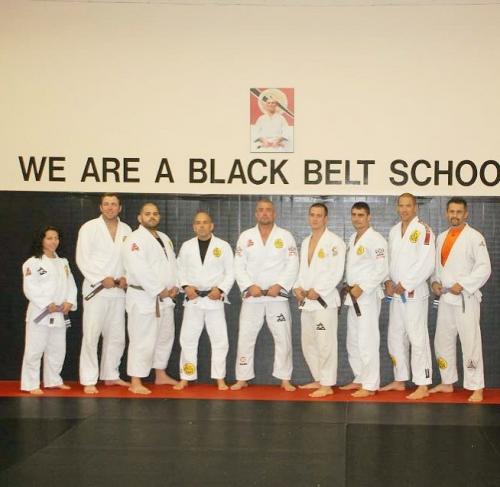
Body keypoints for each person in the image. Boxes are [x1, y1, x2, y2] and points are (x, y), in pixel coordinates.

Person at [232, 198, 299, 391]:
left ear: (274, 213)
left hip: (277, 297)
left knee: (283, 337)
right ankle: (242, 377)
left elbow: (293, 264)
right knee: (245, 336)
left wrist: (280, 285)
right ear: (256, 214)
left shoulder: (285, 236)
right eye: (261, 210)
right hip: (252, 297)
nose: (264, 213)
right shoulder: (246, 236)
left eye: (268, 210)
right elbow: (238, 265)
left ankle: (284, 378)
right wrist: (248, 286)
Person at [429, 197, 491, 403]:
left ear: (466, 214)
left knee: (470, 342)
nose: (454, 215)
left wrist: (463, 284)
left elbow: (484, 268)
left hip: (466, 298)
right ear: (446, 213)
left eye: (458, 212)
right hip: (445, 299)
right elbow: (437, 269)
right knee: (442, 341)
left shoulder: (474, 237)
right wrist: (434, 282)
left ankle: (476, 386)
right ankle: (447, 381)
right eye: (451, 211)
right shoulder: (441, 237)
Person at [380, 193, 435, 400]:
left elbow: (427, 263)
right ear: (397, 207)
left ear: (415, 208)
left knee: (417, 337)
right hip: (396, 293)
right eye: (401, 205)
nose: (404, 209)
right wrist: (387, 281)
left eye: (408, 206)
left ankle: (423, 383)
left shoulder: (423, 230)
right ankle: (400, 378)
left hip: (414, 292)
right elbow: (388, 261)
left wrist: (406, 283)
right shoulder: (394, 231)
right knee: (395, 336)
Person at [76, 193, 131, 394]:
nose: (110, 207)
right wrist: (100, 278)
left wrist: (126, 277)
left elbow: (130, 259)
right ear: (100, 207)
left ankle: (111, 374)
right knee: (91, 335)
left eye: (114, 204)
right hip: (96, 290)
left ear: (120, 208)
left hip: (118, 291)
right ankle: (89, 378)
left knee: (117, 336)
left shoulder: (127, 230)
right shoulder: (89, 228)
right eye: (106, 204)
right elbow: (82, 258)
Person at [174, 211, 234, 391]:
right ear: (194, 226)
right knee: (188, 340)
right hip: (193, 299)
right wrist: (185, 286)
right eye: (198, 223)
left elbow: (231, 272)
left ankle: (220, 378)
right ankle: (186, 377)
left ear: (211, 225)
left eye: (205, 222)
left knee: (220, 340)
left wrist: (220, 289)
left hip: (214, 299)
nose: (201, 226)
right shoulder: (187, 246)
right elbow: (179, 269)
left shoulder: (223, 246)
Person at [123, 202, 179, 394]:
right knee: (142, 340)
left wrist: (175, 285)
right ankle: (135, 381)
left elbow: (172, 264)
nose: (152, 216)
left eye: (155, 213)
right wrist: (158, 289)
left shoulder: (164, 238)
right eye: (147, 213)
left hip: (165, 299)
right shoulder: (134, 239)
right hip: (144, 297)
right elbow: (139, 268)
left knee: (164, 337)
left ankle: (160, 374)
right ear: (140, 218)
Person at [293, 203, 345, 398]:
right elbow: (302, 270)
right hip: (307, 303)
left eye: (319, 215)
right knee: (308, 343)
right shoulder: (306, 241)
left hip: (324, 302)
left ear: (326, 219)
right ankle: (318, 378)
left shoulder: (335, 242)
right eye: (312, 215)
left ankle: (327, 383)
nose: (315, 219)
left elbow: (336, 272)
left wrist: (319, 290)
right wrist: (297, 287)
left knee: (325, 343)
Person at [21, 226, 77, 394]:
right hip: (40, 313)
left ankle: (53, 380)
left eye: (56, 238)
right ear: (42, 240)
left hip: (59, 313)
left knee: (57, 349)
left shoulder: (63, 262)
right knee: (34, 350)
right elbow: (30, 287)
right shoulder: (33, 262)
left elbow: (71, 284)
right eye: (49, 238)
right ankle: (31, 384)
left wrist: (69, 301)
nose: (54, 241)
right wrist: (46, 303)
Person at [340, 202, 388, 398]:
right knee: (353, 340)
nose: (357, 218)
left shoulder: (376, 239)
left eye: (361, 215)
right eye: (354, 214)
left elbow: (382, 269)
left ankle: (370, 384)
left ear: (369, 217)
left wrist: (363, 287)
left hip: (367, 295)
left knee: (368, 340)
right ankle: (360, 377)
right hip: (353, 295)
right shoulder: (353, 238)